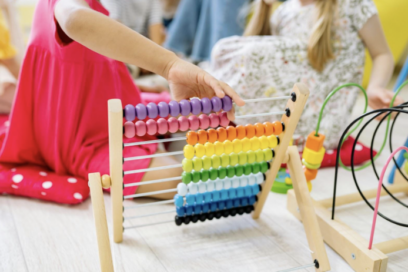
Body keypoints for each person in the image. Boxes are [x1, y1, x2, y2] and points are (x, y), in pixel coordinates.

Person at [0, 0, 244, 200]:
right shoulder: (67, 7)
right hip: (80, 141)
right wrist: (169, 65)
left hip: (116, 109)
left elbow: (95, 69)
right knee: (175, 179)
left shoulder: (97, 9)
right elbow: (75, 20)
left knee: (193, 116)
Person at [211, 0, 404, 149]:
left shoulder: (352, 5)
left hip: (323, 123)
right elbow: (281, 71)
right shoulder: (283, 12)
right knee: (232, 51)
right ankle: (217, 105)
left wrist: (375, 87)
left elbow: (382, 54)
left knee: (249, 53)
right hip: (288, 110)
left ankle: (217, 105)